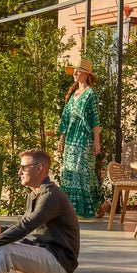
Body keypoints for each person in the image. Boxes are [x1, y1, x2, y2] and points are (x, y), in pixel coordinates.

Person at [57, 58, 103, 218]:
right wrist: (62, 139)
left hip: (84, 139)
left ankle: (96, 205)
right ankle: (71, 209)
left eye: (78, 71)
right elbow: (65, 119)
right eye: (74, 71)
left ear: (86, 74)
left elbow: (94, 120)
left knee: (83, 172)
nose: (75, 73)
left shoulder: (91, 93)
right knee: (70, 172)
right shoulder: (73, 95)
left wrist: (97, 141)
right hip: (71, 139)